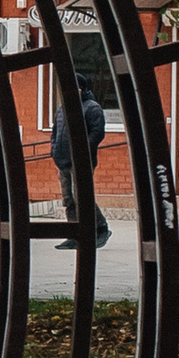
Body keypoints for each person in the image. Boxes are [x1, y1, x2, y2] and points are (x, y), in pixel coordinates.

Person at [51, 89, 111, 246]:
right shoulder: (62, 108)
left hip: (82, 161)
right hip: (62, 160)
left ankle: (101, 228)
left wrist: (82, 150)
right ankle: (73, 233)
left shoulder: (92, 107)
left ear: (82, 89)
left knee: (81, 197)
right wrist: (54, 150)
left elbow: (97, 133)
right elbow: (55, 132)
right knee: (68, 198)